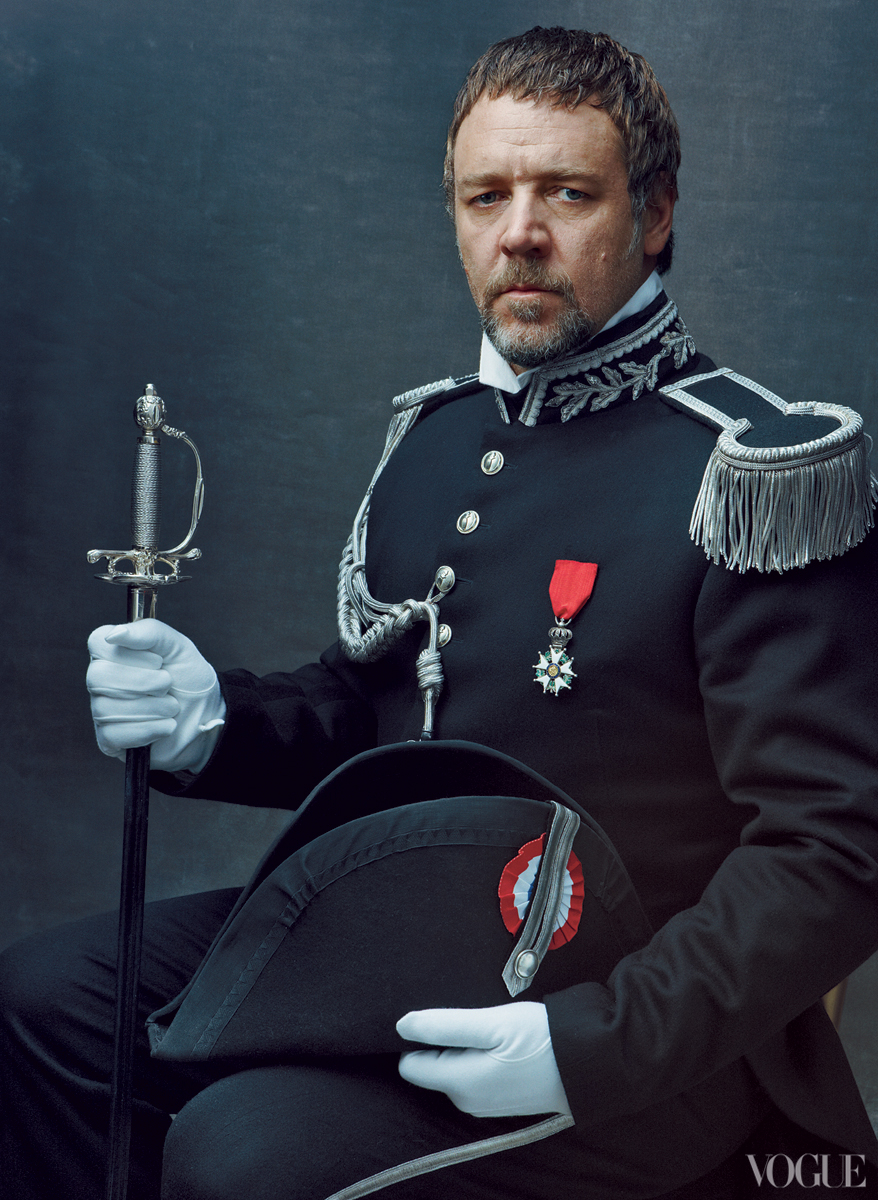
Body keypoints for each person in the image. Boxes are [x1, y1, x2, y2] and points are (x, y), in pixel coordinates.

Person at [3, 24, 878, 1200]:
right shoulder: (439, 437)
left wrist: (589, 1042)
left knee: (242, 1150)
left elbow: (835, 849)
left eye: (566, 192)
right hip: (401, 934)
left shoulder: (750, 475)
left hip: (641, 1020)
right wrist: (212, 722)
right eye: (486, 195)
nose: (519, 231)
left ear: (654, 213)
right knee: (47, 1005)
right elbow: (372, 712)